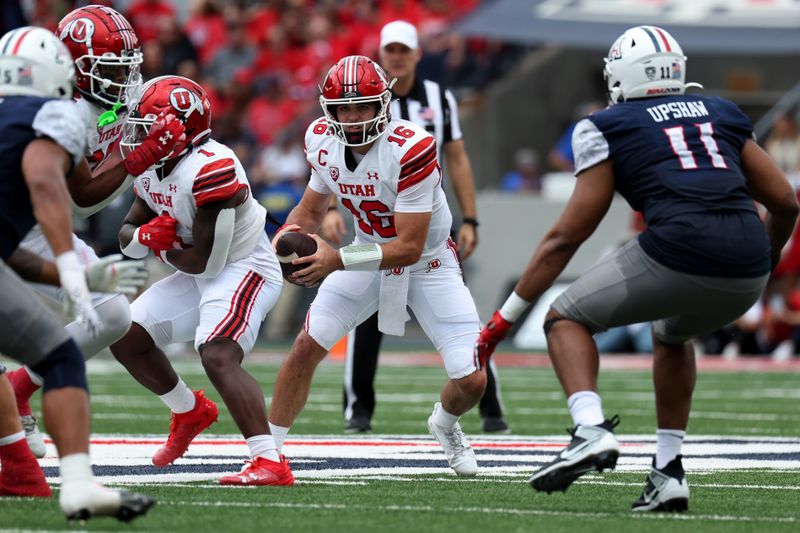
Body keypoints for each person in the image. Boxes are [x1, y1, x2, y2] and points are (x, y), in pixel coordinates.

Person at [476, 26, 798, 512]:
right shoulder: (721, 111)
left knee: (564, 319)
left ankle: (589, 431)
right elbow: (785, 202)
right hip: (747, 264)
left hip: (680, 247)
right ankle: (667, 473)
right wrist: (763, 261)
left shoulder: (609, 124)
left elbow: (567, 236)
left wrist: (505, 317)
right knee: (670, 335)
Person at [267, 55, 487, 478]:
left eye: (362, 107)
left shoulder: (411, 148)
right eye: (343, 108)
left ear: (381, 105)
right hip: (365, 252)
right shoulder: (321, 140)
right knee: (304, 346)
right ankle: (267, 452)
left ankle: (444, 422)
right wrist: (286, 235)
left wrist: (337, 259)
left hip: (429, 262)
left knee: (472, 380)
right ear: (328, 111)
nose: (352, 118)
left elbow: (408, 246)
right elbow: (312, 208)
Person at [4, 5, 186, 459]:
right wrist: (139, 157)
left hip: (41, 223)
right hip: (22, 221)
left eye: (127, 66)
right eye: (110, 68)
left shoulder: (114, 100)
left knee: (112, 314)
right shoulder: (56, 107)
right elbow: (84, 194)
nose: (123, 79)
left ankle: (19, 388)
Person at [0, 25, 154, 521]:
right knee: (61, 355)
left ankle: (28, 473)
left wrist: (73, 276)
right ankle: (70, 483)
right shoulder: (53, 113)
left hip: (15, 245)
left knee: (61, 351)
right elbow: (51, 189)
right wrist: (69, 266)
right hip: (33, 236)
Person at [323, 20, 507, 434]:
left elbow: (457, 157)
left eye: (404, 50)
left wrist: (471, 217)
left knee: (459, 316)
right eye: (390, 50)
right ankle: (359, 408)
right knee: (366, 315)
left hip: (426, 218)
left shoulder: (439, 99)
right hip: (375, 224)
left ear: (417, 54)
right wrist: (331, 206)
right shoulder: (362, 102)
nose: (397, 58)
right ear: (381, 54)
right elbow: (336, 153)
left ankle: (490, 406)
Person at [110, 75, 289, 486]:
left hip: (244, 267)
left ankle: (270, 461)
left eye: (148, 126)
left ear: (180, 129)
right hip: (195, 268)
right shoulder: (155, 166)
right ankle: (189, 410)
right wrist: (143, 238)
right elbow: (127, 235)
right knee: (123, 332)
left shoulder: (212, 168)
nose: (140, 136)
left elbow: (205, 262)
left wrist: (153, 245)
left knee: (217, 354)